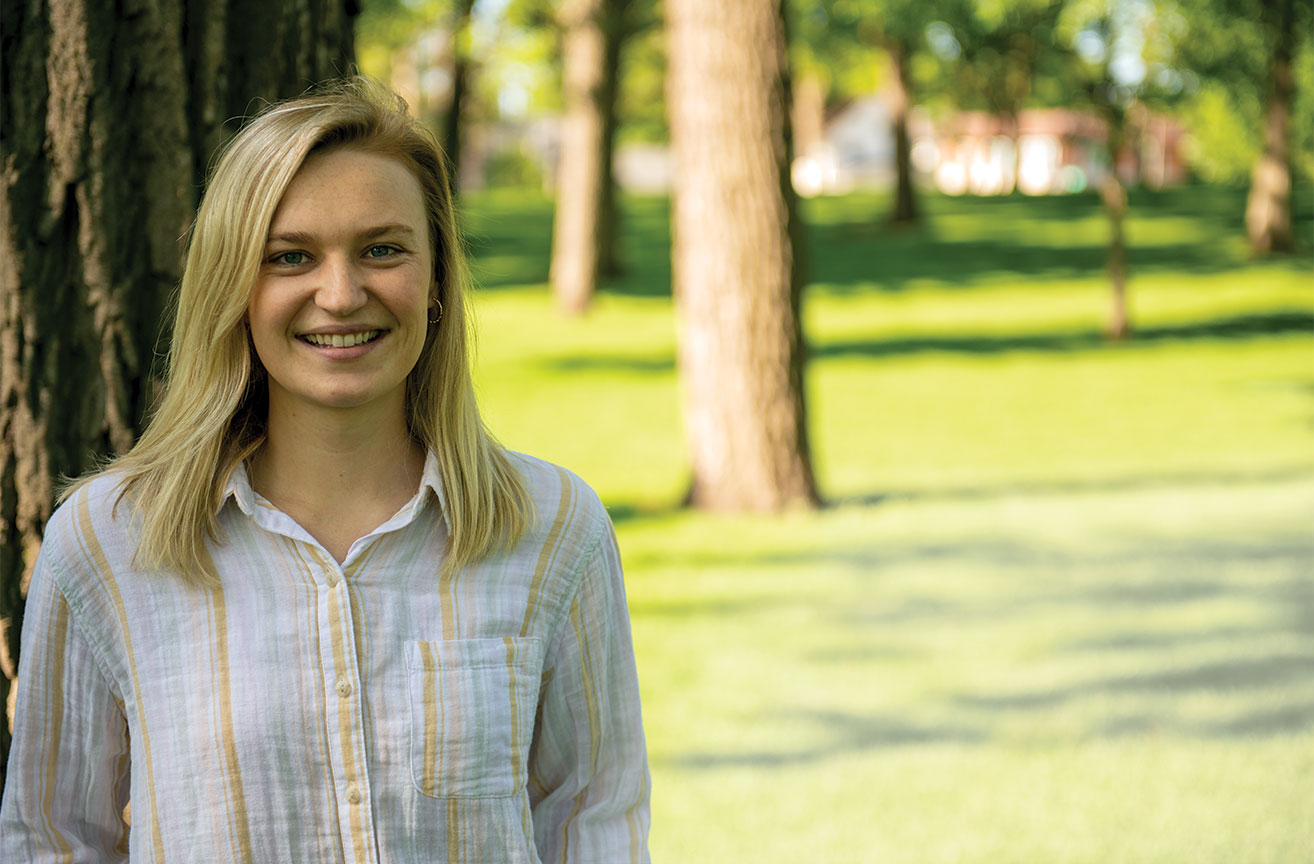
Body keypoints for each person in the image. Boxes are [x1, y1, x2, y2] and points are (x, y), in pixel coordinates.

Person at [0, 78, 651, 863]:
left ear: (438, 277)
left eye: (382, 249)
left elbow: (595, 824)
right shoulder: (107, 545)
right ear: (235, 287)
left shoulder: (553, 530)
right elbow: (51, 842)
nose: (340, 295)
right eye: (290, 257)